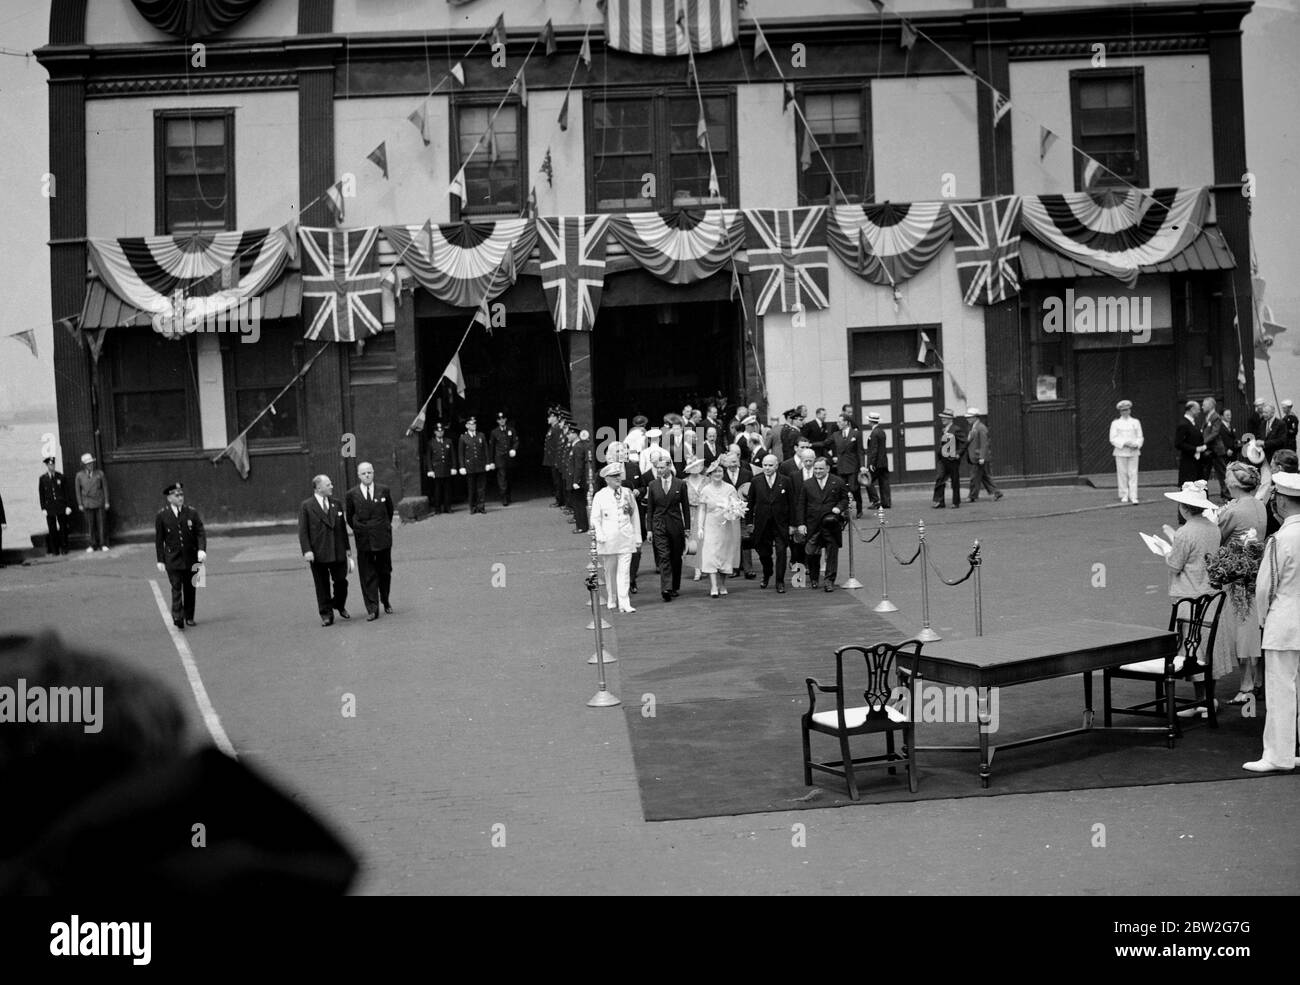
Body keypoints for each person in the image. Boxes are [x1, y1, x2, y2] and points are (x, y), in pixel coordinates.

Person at [1245, 469, 1300, 772]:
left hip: (1285, 621)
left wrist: (1265, 619)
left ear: (1281, 502)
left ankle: (1278, 755)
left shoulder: (1280, 539)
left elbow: (1265, 587)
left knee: (1280, 691)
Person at [1162, 480, 1222, 719]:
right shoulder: (1212, 528)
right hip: (1209, 593)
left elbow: (1175, 565)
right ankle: (1206, 699)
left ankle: (1202, 701)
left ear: (1184, 508)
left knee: (1192, 649)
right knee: (1207, 649)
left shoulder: (1185, 533)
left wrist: (1167, 550)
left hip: (1189, 595)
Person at [1214, 463, 1267, 705]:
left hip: (1237, 573)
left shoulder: (1233, 511)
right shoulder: (1258, 504)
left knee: (1242, 628)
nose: (1224, 479)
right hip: (1256, 569)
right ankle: (1256, 681)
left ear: (1233, 483)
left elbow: (1218, 537)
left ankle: (1246, 685)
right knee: (1253, 624)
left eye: (1226, 476)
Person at [298, 475, 353, 627]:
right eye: (328, 484)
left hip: (338, 550)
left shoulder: (336, 504)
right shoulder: (307, 506)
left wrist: (347, 549)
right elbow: (303, 531)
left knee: (341, 581)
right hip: (318, 552)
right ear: (318, 488)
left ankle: (339, 604)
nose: (332, 486)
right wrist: (307, 550)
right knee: (321, 585)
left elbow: (342, 528)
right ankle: (326, 614)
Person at [154, 481, 206, 630]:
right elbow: (159, 540)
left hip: (191, 558)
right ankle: (178, 615)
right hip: (173, 559)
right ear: (169, 498)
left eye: (181, 494)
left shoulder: (191, 512)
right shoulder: (162, 515)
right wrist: (160, 560)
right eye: (176, 495)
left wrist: (201, 549)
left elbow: (200, 532)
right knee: (176, 587)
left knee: (191, 588)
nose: (180, 497)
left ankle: (189, 616)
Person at [346, 462, 394, 622]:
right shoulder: (352, 494)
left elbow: (390, 511)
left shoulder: (383, 490)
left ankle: (385, 599)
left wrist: (383, 527)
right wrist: (361, 529)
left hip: (382, 537)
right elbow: (350, 517)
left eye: (369, 472)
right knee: (367, 574)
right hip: (364, 539)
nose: (367, 475)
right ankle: (372, 608)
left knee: (384, 571)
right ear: (359, 476)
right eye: (363, 473)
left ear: (373, 473)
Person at [592, 462, 643, 614]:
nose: (617, 478)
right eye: (614, 477)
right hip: (608, 539)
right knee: (610, 570)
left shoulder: (627, 493)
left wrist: (637, 536)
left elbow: (635, 516)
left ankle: (624, 601)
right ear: (606, 479)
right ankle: (612, 597)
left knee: (624, 571)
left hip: (626, 537)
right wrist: (599, 534)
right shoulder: (600, 496)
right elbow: (595, 518)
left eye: (618, 476)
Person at [797, 457, 849, 592]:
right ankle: (814, 578)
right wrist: (801, 524)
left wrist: (839, 507)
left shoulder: (837, 482)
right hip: (812, 524)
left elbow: (845, 499)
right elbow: (801, 504)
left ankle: (829, 581)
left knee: (832, 553)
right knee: (811, 552)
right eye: (816, 469)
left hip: (831, 524)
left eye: (821, 468)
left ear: (827, 468)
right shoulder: (807, 484)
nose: (818, 471)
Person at [645, 454, 691, 602]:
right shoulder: (653, 485)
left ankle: (674, 586)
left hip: (676, 524)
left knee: (675, 557)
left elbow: (685, 507)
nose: (659, 470)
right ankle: (666, 587)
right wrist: (650, 529)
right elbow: (650, 509)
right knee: (663, 556)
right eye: (657, 468)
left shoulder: (680, 484)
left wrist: (687, 528)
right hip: (659, 524)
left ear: (669, 467)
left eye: (662, 467)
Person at [698, 460, 744, 598]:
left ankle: (723, 584)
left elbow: (737, 506)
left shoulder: (730, 488)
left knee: (724, 554)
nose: (717, 474)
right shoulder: (705, 490)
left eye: (720, 471)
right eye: (715, 472)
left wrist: (733, 513)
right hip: (711, 524)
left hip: (726, 525)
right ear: (710, 474)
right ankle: (713, 585)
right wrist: (700, 527)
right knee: (710, 554)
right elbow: (702, 510)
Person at [748, 454, 792, 592]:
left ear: (777, 465)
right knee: (764, 553)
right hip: (762, 524)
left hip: (781, 524)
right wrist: (749, 523)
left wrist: (793, 524)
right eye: (765, 465)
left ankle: (780, 581)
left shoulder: (786, 481)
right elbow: (750, 503)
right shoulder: (756, 481)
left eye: (770, 465)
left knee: (781, 552)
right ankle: (767, 573)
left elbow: (792, 504)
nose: (767, 468)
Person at [721, 450, 755, 579]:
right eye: (731, 462)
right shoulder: (722, 476)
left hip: (744, 512)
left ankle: (748, 569)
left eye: (735, 461)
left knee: (746, 540)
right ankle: (734, 567)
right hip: (728, 513)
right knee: (732, 541)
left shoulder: (748, 474)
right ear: (725, 463)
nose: (733, 464)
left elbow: (752, 493)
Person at [1110, 399, 1144, 504]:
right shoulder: (1116, 423)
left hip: (1133, 451)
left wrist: (1137, 444)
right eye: (1123, 410)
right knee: (1122, 474)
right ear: (1120, 412)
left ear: (1130, 410)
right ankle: (1124, 494)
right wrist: (1125, 443)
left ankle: (1134, 496)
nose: (1125, 412)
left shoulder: (1135, 422)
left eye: (1127, 410)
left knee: (1133, 474)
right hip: (1121, 451)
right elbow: (1113, 438)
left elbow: (1140, 436)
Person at [964, 408, 1002, 503]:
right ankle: (996, 492)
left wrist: (981, 457)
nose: (967, 419)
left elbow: (984, 444)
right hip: (976, 457)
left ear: (975, 417)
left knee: (974, 477)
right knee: (984, 476)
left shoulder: (980, 428)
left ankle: (972, 496)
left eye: (969, 417)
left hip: (978, 457)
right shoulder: (975, 427)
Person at [75, 452, 110, 553]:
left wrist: (107, 501)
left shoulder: (99, 473)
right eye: (88, 464)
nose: (90, 465)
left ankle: (103, 544)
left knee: (101, 523)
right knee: (90, 525)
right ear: (84, 465)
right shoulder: (79, 476)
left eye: (91, 463)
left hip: (99, 501)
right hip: (87, 503)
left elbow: (105, 488)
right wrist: (80, 504)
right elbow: (77, 490)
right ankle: (92, 544)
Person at [830, 413, 863, 516]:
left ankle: (859, 507)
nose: (837, 423)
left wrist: (862, 466)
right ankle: (845, 510)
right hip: (841, 466)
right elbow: (826, 443)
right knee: (843, 489)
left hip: (853, 466)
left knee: (854, 488)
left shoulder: (856, 434)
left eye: (839, 422)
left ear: (846, 422)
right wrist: (811, 444)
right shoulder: (836, 434)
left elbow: (860, 451)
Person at [38, 456, 71, 556]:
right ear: (47, 465)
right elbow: (41, 495)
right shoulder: (43, 479)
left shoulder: (60, 477)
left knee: (63, 527)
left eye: (53, 464)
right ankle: (55, 550)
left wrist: (67, 506)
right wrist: (43, 508)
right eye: (50, 465)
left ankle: (64, 548)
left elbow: (66, 492)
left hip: (60, 506)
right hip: (50, 507)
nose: (52, 466)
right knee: (52, 529)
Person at [458, 416, 490, 514]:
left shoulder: (481, 435)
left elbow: (486, 450)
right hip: (470, 466)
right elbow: (461, 453)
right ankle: (472, 507)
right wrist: (462, 466)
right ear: (467, 425)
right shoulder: (463, 437)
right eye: (471, 424)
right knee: (471, 488)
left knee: (481, 488)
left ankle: (481, 506)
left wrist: (488, 463)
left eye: (474, 424)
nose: (474, 426)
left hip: (480, 465)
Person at [933, 408, 963, 509]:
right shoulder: (944, 429)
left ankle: (956, 502)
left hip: (952, 459)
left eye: (945, 418)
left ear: (950, 419)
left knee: (954, 480)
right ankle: (940, 501)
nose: (943, 419)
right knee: (940, 478)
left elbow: (964, 442)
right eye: (942, 418)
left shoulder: (956, 429)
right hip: (943, 459)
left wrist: (958, 453)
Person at [425, 421, 456, 515]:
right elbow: (428, 458)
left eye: (442, 431)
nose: (440, 433)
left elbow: (453, 456)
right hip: (436, 470)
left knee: (448, 490)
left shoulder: (448, 441)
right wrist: (430, 470)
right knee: (437, 491)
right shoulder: (431, 443)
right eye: (438, 431)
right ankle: (437, 508)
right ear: (435, 432)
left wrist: (454, 467)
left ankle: (448, 507)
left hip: (446, 469)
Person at [1200, 397, 1228, 501]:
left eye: (1204, 404)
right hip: (1208, 450)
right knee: (1204, 473)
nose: (1202, 407)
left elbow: (1215, 433)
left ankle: (1227, 496)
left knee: (1222, 474)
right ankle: (1203, 496)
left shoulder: (1216, 417)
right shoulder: (1207, 417)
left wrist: (1202, 442)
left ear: (1210, 405)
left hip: (1216, 450)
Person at [863, 412, 892, 509]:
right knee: (884, 482)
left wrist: (871, 463)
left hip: (876, 463)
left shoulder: (874, 433)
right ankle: (886, 502)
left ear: (870, 421)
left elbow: (874, 449)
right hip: (883, 461)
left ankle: (875, 501)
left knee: (867, 480)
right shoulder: (881, 432)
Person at [1175, 400, 1205, 487]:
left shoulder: (1194, 423)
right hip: (1188, 463)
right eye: (1198, 409)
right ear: (1192, 409)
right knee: (1189, 489)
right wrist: (1195, 449)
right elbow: (1178, 443)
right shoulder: (1183, 424)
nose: (1199, 411)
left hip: (1197, 462)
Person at [542, 407, 567, 509]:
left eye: (550, 416)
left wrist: (557, 460)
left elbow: (558, 446)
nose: (548, 418)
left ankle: (560, 500)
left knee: (558, 481)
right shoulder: (552, 428)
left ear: (555, 418)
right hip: (552, 459)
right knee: (556, 480)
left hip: (556, 459)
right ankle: (559, 498)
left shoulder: (557, 429)